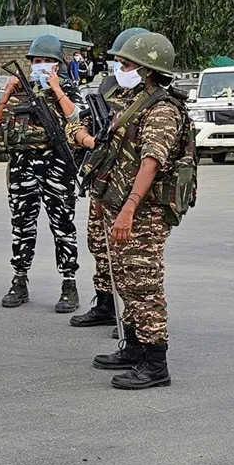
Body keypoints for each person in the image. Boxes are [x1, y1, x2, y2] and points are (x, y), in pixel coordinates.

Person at [77, 32, 192, 389]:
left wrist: (128, 209)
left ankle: (155, 363)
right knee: (126, 279)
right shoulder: (134, 101)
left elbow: (151, 162)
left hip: (145, 210)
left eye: (125, 64)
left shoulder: (162, 109)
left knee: (144, 284)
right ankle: (135, 346)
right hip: (121, 204)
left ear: (147, 70)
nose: (118, 69)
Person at [0, 34, 83, 312]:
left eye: (47, 61)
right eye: (37, 61)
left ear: (58, 65)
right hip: (22, 168)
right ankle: (19, 280)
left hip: (57, 168)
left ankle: (69, 283)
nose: (41, 65)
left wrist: (57, 89)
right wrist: (7, 93)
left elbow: (76, 117)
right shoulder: (20, 90)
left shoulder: (68, 90)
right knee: (22, 226)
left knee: (62, 226)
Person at [70, 27, 149, 329]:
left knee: (132, 258)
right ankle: (105, 304)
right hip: (102, 183)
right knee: (99, 244)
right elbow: (77, 124)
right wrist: (86, 139)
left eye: (125, 62)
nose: (119, 68)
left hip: (132, 189)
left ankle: (132, 318)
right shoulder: (109, 89)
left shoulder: (154, 101)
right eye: (117, 61)